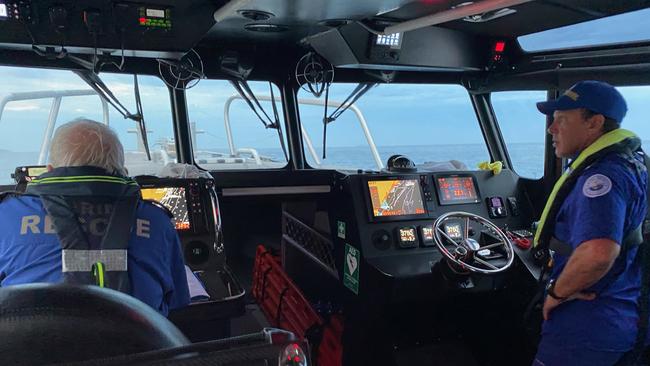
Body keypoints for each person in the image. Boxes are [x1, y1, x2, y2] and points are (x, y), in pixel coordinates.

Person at [0, 119, 190, 316]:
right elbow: (178, 304)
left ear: (50, 170)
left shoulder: (5, 215)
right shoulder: (157, 221)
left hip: (29, 344)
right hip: (143, 345)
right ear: (123, 172)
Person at [532, 80, 648, 365]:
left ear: (594, 123)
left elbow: (598, 254)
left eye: (561, 120)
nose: (551, 129)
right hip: (623, 311)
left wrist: (556, 294)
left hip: (587, 324)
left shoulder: (601, 179)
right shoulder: (632, 163)